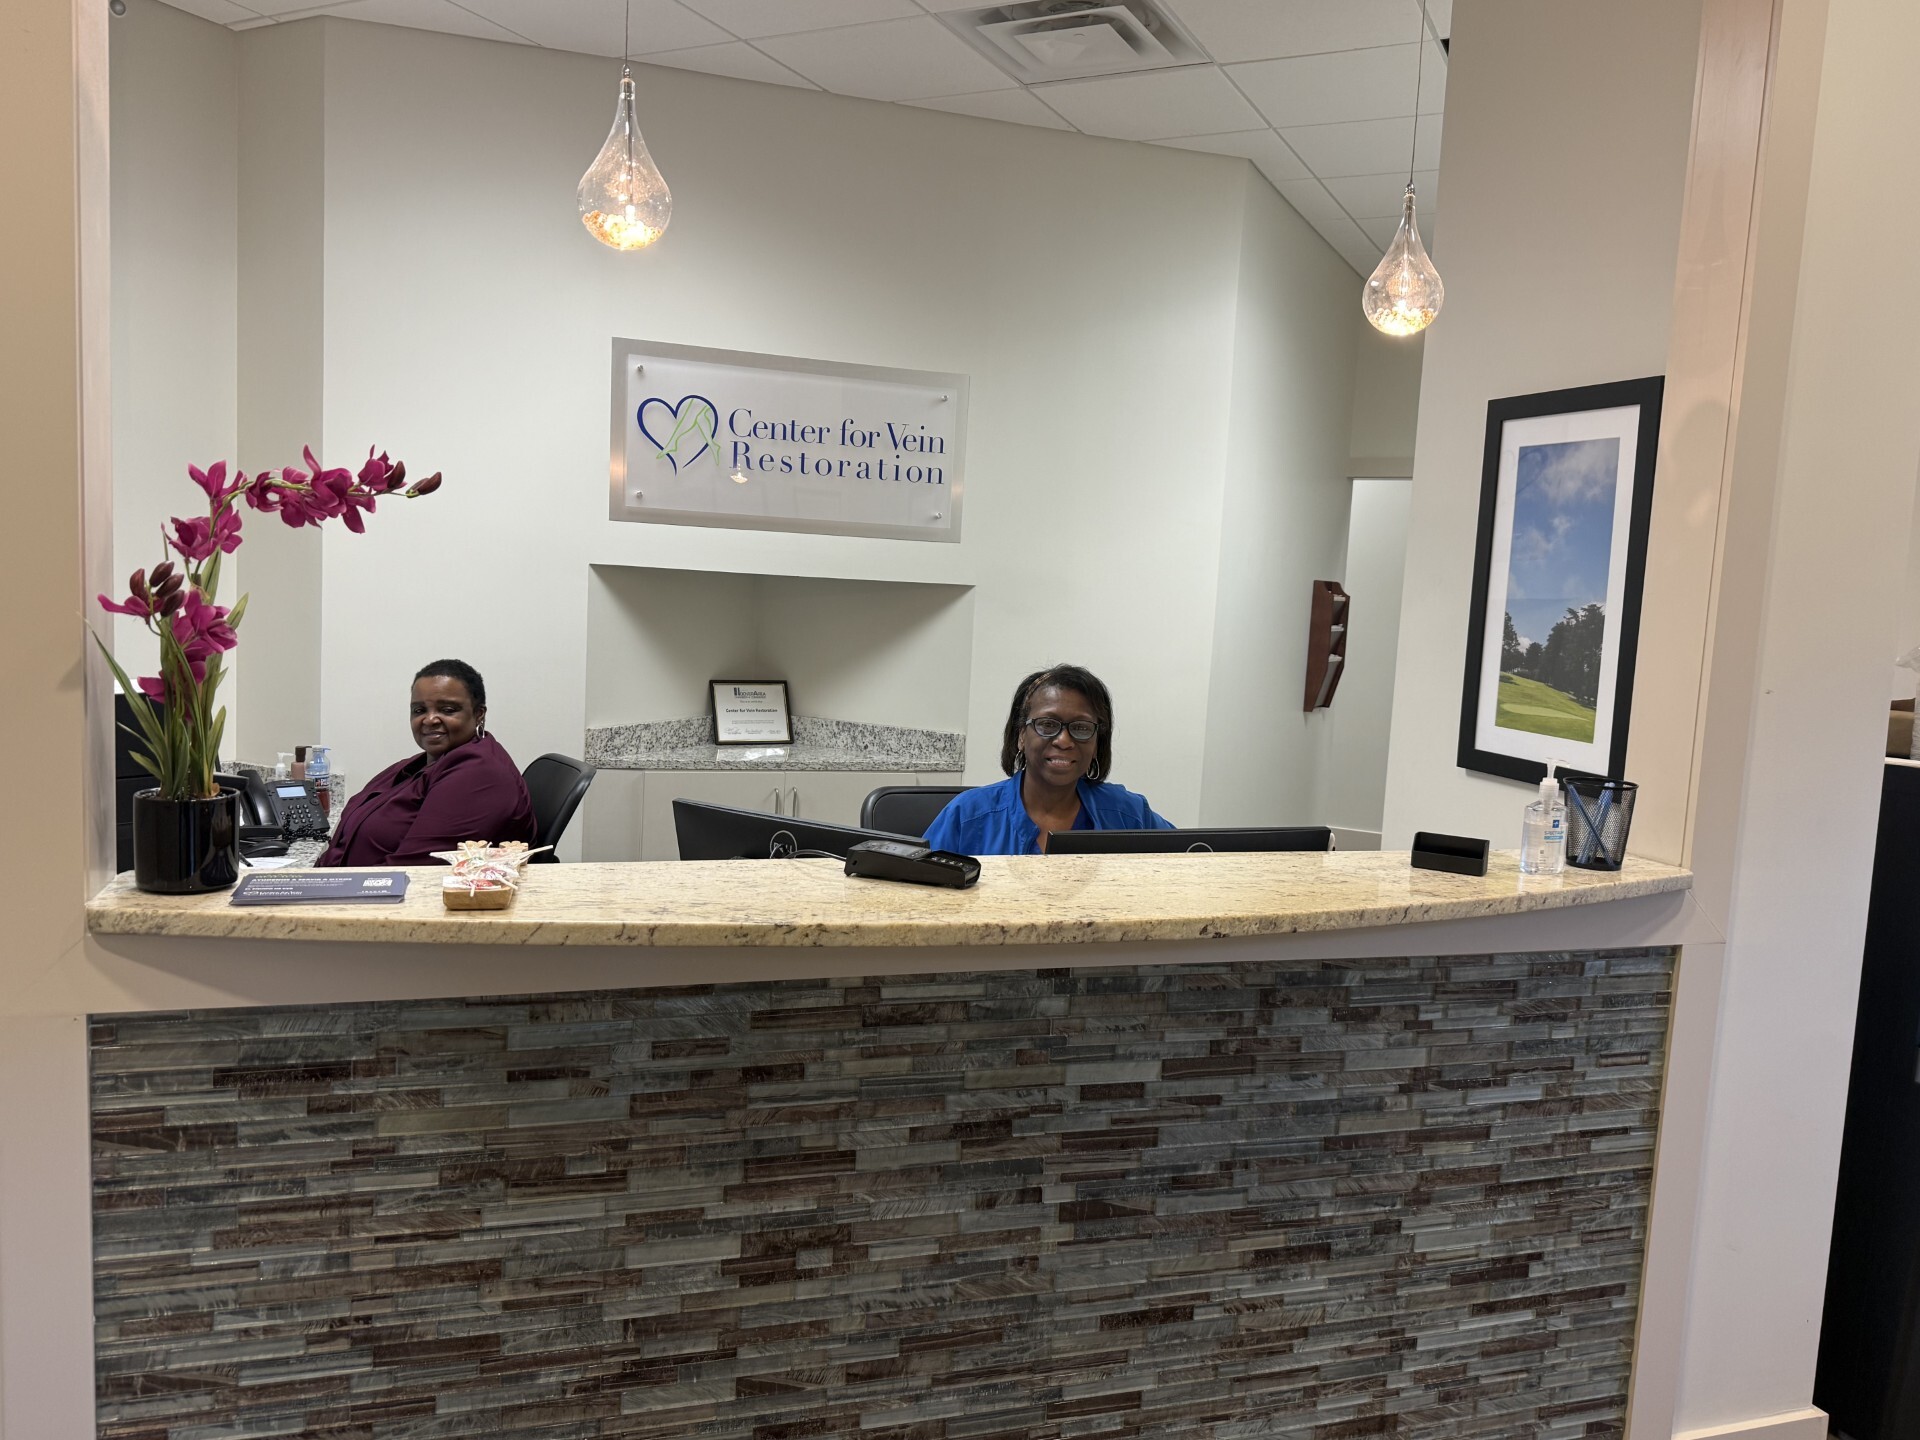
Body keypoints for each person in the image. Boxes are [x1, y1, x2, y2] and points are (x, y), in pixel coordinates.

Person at [923, 663, 1172, 856]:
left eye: (1082, 727)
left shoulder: (1129, 814)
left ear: (1097, 743)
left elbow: (1195, 864)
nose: (1064, 740)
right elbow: (916, 898)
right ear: (1021, 735)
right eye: (1047, 724)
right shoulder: (967, 816)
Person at [317, 659, 536, 867]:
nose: (429, 719)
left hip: (379, 900)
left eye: (448, 710)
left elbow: (416, 870)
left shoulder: (480, 774)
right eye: (419, 710)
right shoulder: (423, 763)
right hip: (343, 887)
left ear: (478, 714)